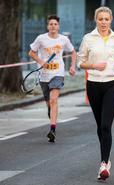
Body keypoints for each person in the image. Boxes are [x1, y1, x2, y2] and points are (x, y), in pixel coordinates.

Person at [77, 7, 114, 181]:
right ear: (95, 20)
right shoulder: (88, 38)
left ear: (111, 20)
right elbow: (81, 62)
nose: (103, 22)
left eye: (106, 19)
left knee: (106, 126)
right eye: (100, 19)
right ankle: (106, 157)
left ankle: (104, 164)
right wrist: (94, 66)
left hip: (111, 84)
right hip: (94, 85)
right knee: (99, 127)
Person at [28, 15, 76, 143]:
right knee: (49, 103)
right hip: (44, 75)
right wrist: (40, 61)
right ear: (47, 26)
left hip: (58, 73)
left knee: (54, 100)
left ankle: (52, 130)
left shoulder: (63, 39)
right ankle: (52, 114)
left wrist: (72, 66)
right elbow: (31, 52)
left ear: (58, 26)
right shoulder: (41, 39)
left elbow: (73, 52)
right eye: (50, 24)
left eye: (55, 24)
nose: (53, 26)